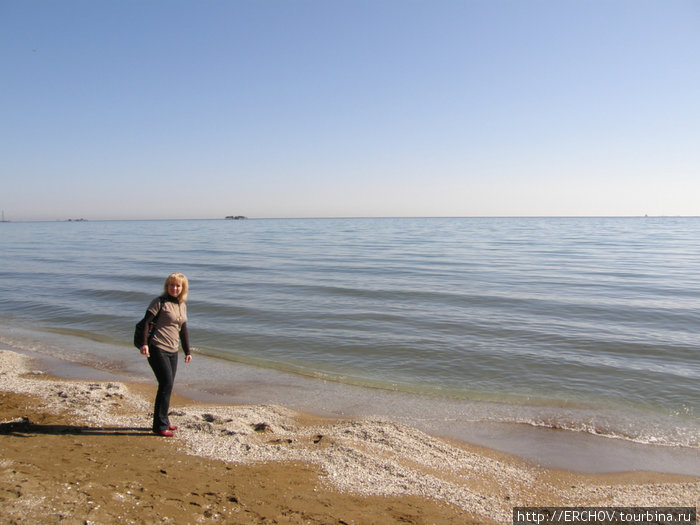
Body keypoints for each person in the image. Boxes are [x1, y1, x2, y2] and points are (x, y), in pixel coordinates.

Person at [139, 273, 192, 437]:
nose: (174, 288)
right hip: (157, 347)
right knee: (165, 384)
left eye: (177, 286)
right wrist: (144, 344)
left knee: (168, 386)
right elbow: (145, 323)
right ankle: (159, 426)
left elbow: (183, 330)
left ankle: (164, 420)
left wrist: (187, 351)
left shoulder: (181, 305)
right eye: (171, 285)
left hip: (172, 350)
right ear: (166, 286)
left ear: (182, 288)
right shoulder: (159, 302)